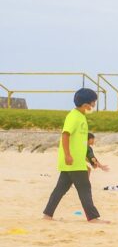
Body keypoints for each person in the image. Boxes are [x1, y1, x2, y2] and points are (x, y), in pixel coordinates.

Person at [42, 89, 108, 223]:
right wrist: (67, 155)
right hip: (73, 161)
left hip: (75, 161)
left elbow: (80, 143)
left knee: (60, 189)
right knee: (84, 188)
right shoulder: (73, 116)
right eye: (93, 103)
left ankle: (47, 215)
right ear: (85, 104)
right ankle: (93, 218)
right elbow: (65, 135)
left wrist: (92, 160)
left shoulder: (81, 116)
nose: (94, 105)